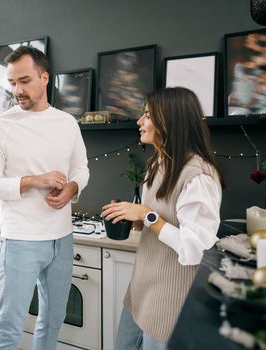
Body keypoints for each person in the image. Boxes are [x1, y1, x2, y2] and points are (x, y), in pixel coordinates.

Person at [0, 45, 89, 350]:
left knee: (53, 321)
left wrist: (72, 188)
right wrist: (35, 181)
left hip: (62, 240)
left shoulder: (67, 123)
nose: (17, 90)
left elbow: (81, 167)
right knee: (10, 327)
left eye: (24, 81)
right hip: (21, 241)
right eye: (12, 83)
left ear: (44, 77)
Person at [102, 87, 225, 350]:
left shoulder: (199, 176)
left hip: (171, 300)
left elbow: (194, 249)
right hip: (140, 289)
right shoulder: (157, 165)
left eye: (147, 114)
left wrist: (146, 215)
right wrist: (131, 217)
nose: (139, 121)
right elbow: (157, 222)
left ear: (169, 120)